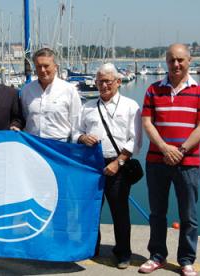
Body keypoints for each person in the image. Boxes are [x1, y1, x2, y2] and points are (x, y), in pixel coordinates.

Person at [139, 44, 200, 276]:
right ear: (166, 62)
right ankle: (157, 256)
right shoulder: (153, 90)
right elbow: (147, 123)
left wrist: (179, 151)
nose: (176, 64)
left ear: (189, 61)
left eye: (180, 60)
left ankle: (186, 260)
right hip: (156, 161)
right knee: (157, 213)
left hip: (188, 164)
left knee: (188, 215)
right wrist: (164, 148)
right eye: (172, 60)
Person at [73, 63, 142, 269]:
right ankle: (91, 247)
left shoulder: (131, 106)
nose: (103, 85)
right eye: (100, 81)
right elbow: (74, 132)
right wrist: (82, 138)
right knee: (91, 208)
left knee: (119, 210)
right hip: (92, 165)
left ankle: (123, 252)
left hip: (118, 163)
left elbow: (135, 140)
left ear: (118, 82)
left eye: (107, 81)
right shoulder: (87, 107)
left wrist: (118, 162)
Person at [20, 48, 81, 141]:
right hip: (33, 145)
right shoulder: (26, 90)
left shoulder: (69, 90)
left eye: (46, 66)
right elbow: (23, 118)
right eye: (38, 66)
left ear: (55, 66)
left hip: (60, 146)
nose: (42, 70)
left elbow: (77, 124)